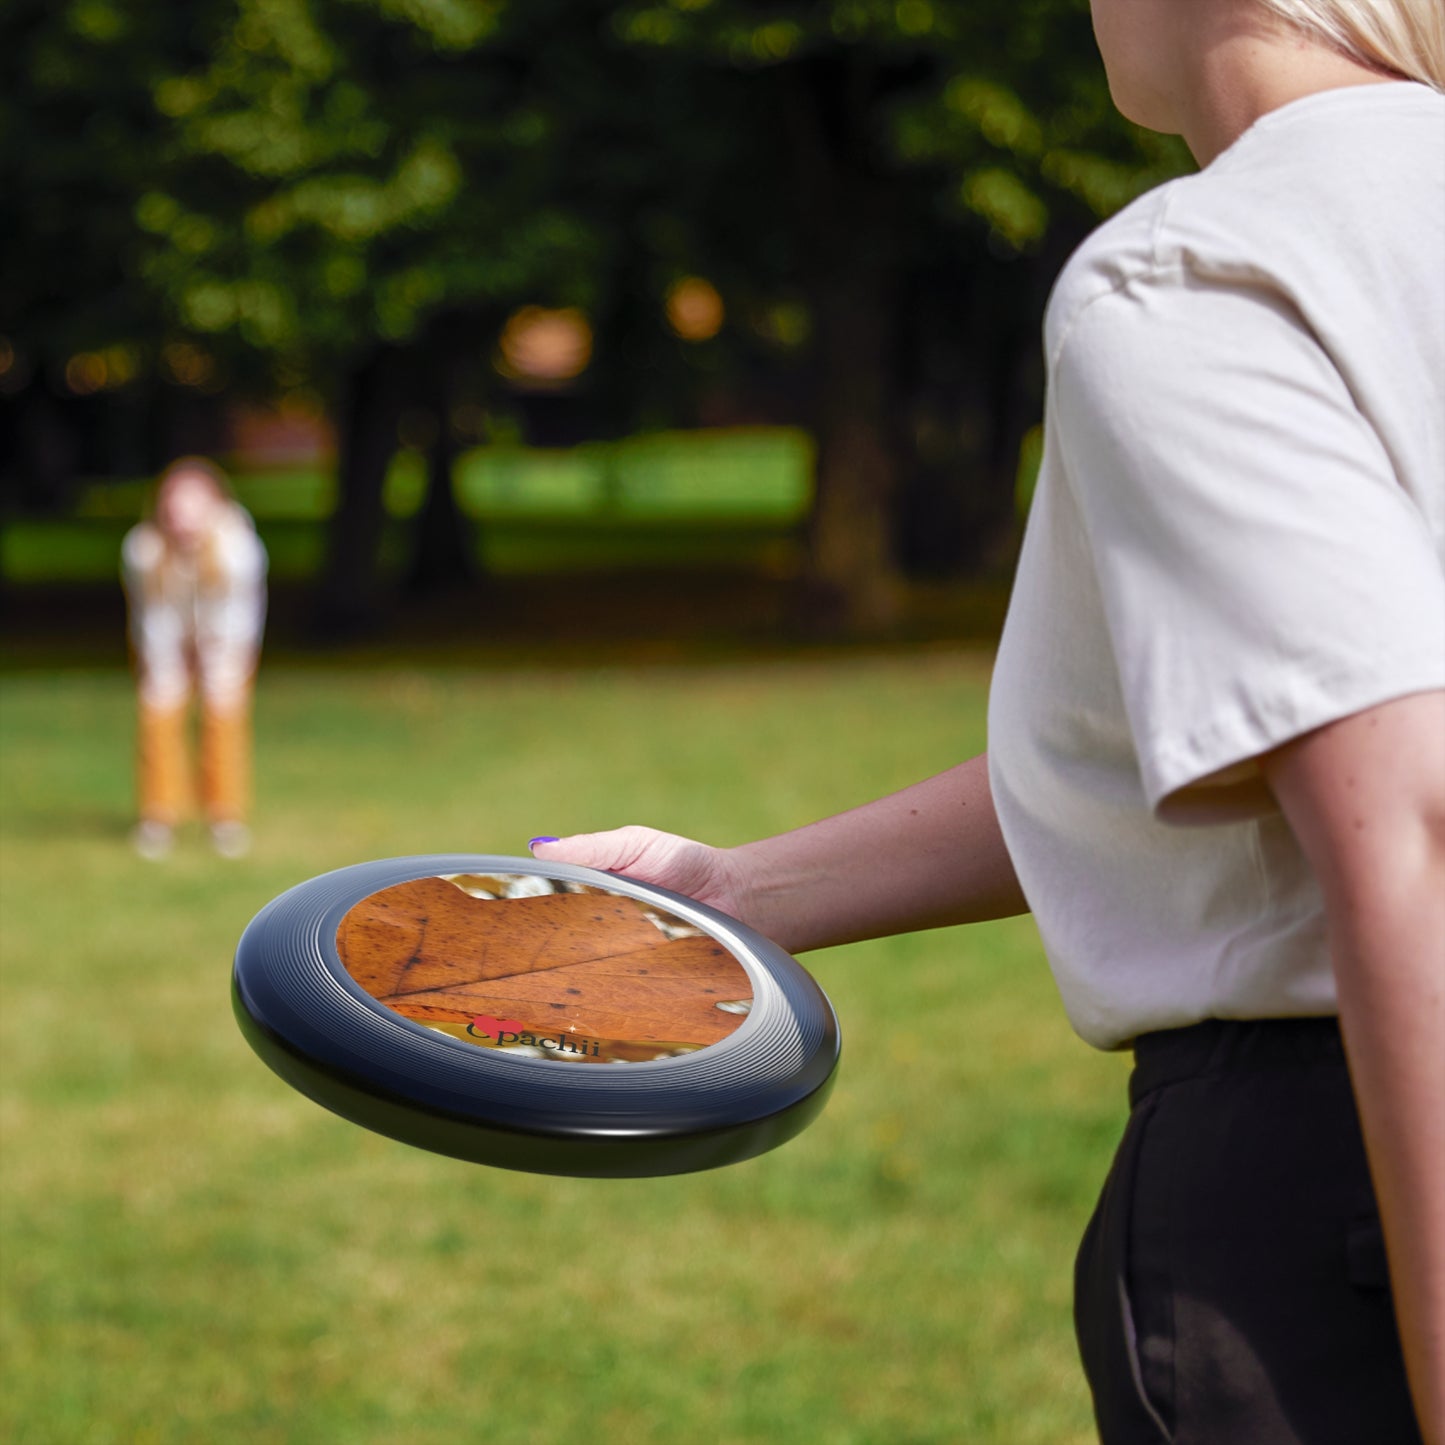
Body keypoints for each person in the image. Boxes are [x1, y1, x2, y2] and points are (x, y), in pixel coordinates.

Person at [529, 2, 1445, 1440]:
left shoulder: (1204, 270)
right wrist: (736, 891)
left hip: (1342, 1193)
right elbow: (1224, 741)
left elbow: (1409, 822)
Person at [121, 457, 268, 860]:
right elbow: (152, 616)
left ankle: (225, 818)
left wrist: (215, 659)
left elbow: (239, 616)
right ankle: (158, 816)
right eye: (174, 506)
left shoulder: (239, 549)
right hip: (165, 640)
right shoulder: (143, 549)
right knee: (158, 712)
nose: (182, 517)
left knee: (223, 717)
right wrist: (168, 664)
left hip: (226, 641)